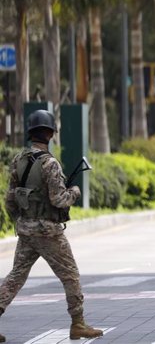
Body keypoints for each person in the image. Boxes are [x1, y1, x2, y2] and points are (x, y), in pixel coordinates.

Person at [0, 110, 103, 342]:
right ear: (49, 133)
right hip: (49, 232)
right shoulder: (50, 163)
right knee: (71, 275)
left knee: (16, 276)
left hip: (26, 230)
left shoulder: (18, 160)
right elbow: (59, 200)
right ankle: (78, 324)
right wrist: (74, 192)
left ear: (31, 133)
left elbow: (10, 199)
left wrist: (21, 219)